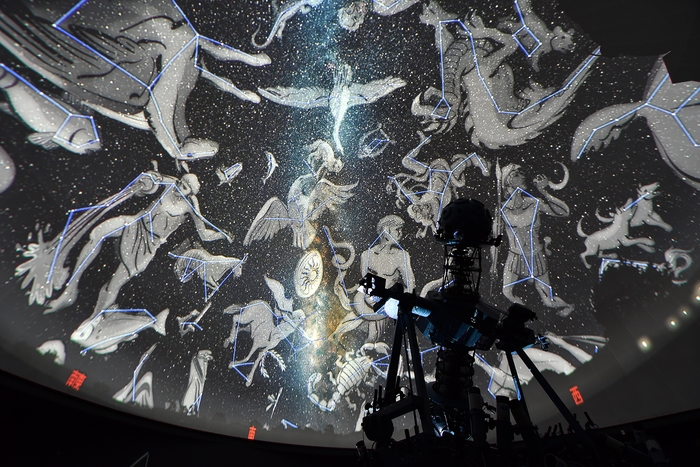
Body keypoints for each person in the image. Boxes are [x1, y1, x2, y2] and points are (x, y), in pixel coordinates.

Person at [47, 171, 231, 317]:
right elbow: (152, 181)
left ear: (190, 193)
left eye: (184, 187)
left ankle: (94, 319)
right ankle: (69, 290)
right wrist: (148, 180)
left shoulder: (190, 207)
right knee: (98, 233)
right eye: (180, 182)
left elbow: (204, 234)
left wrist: (222, 235)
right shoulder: (170, 183)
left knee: (115, 284)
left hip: (148, 246)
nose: (178, 186)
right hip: (135, 223)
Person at [496, 164, 573, 317]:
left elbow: (564, 212)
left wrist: (544, 192)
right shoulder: (502, 209)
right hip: (514, 257)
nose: (522, 176)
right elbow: (495, 239)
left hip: (535, 257)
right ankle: (525, 315)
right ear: (508, 181)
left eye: (521, 173)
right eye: (516, 174)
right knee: (507, 292)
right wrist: (493, 264)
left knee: (548, 301)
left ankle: (568, 306)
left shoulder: (534, 203)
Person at [331, 215, 415, 343]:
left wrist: (403, 303)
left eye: (401, 230)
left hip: (387, 303)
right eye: (397, 229)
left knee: (372, 338)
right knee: (350, 324)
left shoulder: (401, 255)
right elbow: (366, 281)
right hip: (366, 300)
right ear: (386, 230)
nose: (400, 233)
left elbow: (410, 283)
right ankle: (336, 337)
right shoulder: (367, 255)